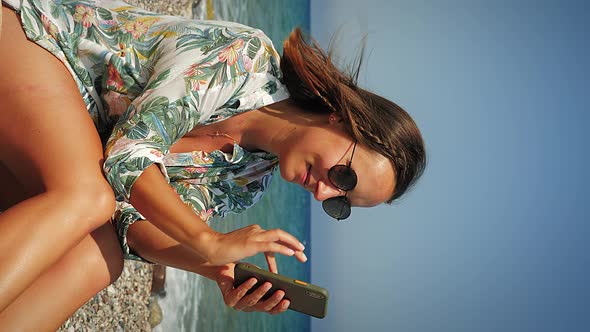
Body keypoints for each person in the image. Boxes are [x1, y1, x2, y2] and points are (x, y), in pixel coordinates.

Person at [0, 0, 426, 329]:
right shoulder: (246, 61)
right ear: (342, 117)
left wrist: (215, 269)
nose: (325, 192)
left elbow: (132, 227)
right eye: (344, 176)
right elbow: (129, 154)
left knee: (104, 255)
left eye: (340, 203)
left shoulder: (248, 181)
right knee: (87, 197)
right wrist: (207, 241)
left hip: (43, 147)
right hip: (36, 45)